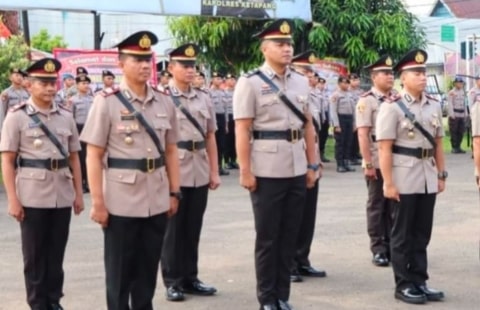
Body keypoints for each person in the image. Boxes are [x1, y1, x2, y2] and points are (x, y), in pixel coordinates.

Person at [80, 31, 181, 310]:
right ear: (121, 63)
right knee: (120, 276)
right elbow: (94, 153)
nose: (143, 65)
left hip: (157, 198)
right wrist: (98, 203)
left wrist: (175, 191)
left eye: (146, 59)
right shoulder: (106, 101)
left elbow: (171, 149)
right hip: (120, 202)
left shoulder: (163, 100)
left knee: (147, 274)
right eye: (136, 59)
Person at [233, 19, 317, 310]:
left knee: (289, 235)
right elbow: (242, 129)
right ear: (264, 48)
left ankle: (282, 296)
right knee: (268, 238)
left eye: (289, 43)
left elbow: (308, 126)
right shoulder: (251, 82)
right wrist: (245, 170)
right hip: (266, 169)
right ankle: (267, 298)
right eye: (280, 44)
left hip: (296, 166)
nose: (287, 48)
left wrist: (312, 164)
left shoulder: (301, 81)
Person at [0, 58, 84, 310]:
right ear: (29, 84)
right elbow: (7, 160)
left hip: (61, 192)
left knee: (56, 252)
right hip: (32, 194)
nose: (49, 88)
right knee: (35, 255)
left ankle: (53, 299)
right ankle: (38, 303)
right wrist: (13, 199)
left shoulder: (65, 116)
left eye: (52, 83)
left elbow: (74, 158)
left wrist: (79, 194)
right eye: (43, 83)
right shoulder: (16, 117)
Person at [376, 49, 446, 305]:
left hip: (427, 175)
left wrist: (441, 174)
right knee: (402, 234)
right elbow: (384, 148)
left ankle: (420, 280)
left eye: (424, 72)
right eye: (416, 73)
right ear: (402, 78)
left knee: (421, 233)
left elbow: (438, 143)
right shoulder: (392, 108)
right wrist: (388, 182)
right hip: (404, 177)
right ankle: (403, 284)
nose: (423, 77)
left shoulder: (434, 105)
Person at [161, 43, 221, 303]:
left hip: (199, 167)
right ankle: (172, 281)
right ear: (171, 68)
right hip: (174, 169)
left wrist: (214, 171)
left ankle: (190, 277)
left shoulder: (203, 97)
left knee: (193, 227)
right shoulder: (162, 97)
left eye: (192, 66)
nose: (189, 70)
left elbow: (210, 136)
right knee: (173, 230)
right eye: (183, 66)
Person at [289, 50, 326, 283]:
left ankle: (302, 259)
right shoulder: (289, 94)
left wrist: (316, 162)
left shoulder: (310, 96)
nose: (309, 76)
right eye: (304, 71)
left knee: (308, 214)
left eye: (311, 72)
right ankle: (289, 263)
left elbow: (315, 132)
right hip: (293, 160)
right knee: (292, 215)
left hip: (311, 161)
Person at [355, 55, 395, 267]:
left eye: (391, 73)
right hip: (377, 159)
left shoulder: (397, 98)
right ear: (373, 77)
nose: (390, 76)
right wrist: (368, 163)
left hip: (396, 159)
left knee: (395, 205)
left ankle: (393, 245)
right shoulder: (367, 100)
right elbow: (363, 134)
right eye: (385, 73)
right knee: (377, 205)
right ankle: (378, 248)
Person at [70, 75, 94, 193]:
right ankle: (82, 182)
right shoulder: (73, 100)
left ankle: (90, 183)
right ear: (77, 85)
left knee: (91, 156)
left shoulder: (93, 99)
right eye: (83, 83)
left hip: (91, 128)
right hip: (78, 129)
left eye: (87, 83)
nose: (85, 85)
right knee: (81, 157)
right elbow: (70, 118)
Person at [330, 76, 356, 173]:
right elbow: (333, 111)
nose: (346, 85)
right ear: (339, 83)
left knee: (349, 142)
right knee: (340, 143)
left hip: (349, 119)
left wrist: (354, 123)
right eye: (344, 83)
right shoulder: (335, 95)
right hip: (341, 119)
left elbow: (353, 110)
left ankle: (346, 162)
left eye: (347, 83)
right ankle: (340, 164)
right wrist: (336, 125)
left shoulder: (350, 95)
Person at [210, 70, 230, 176]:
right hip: (213, 118)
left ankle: (219, 166)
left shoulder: (224, 93)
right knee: (213, 144)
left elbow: (226, 109)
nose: (219, 80)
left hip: (222, 118)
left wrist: (226, 124)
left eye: (220, 78)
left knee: (221, 144)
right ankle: (212, 167)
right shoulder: (208, 92)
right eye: (217, 78)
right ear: (212, 80)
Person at [447, 77, 467, 153]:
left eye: (461, 83)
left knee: (461, 131)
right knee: (454, 131)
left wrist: (466, 114)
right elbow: (450, 104)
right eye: (458, 83)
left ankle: (459, 146)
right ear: (455, 84)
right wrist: (452, 114)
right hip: (454, 114)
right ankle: (454, 147)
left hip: (461, 114)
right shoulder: (451, 92)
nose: (460, 84)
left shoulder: (463, 92)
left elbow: (465, 104)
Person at [224, 72, 238, 169]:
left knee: (235, 139)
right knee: (227, 140)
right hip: (227, 118)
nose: (231, 81)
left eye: (233, 79)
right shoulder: (223, 92)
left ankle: (234, 160)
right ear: (226, 81)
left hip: (236, 117)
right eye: (229, 79)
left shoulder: (238, 92)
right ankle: (227, 161)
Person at [349, 73, 363, 163]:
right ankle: (351, 156)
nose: (356, 82)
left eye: (357, 80)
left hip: (360, 116)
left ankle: (356, 153)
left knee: (358, 136)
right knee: (351, 137)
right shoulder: (347, 91)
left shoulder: (361, 92)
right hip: (351, 116)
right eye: (353, 80)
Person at [317, 75, 331, 162]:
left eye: (323, 84)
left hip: (325, 115)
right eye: (320, 83)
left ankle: (322, 153)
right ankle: (316, 154)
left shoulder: (326, 94)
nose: (321, 85)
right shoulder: (313, 92)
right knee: (317, 136)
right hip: (317, 115)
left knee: (324, 136)